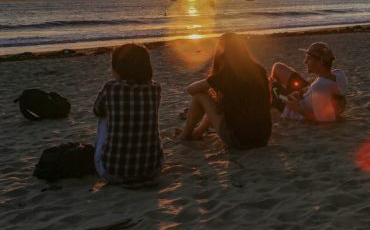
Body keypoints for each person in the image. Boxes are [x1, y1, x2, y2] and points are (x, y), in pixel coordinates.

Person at [179, 32, 272, 149]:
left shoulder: (225, 74)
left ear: (222, 51)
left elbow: (191, 89)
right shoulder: (259, 69)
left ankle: (185, 135)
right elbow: (268, 102)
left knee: (200, 95)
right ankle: (198, 132)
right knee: (218, 103)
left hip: (239, 140)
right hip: (263, 138)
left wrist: (210, 82)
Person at [93, 43, 163, 188]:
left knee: (104, 117)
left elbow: (97, 110)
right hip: (153, 169)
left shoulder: (111, 87)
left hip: (113, 172)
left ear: (119, 68)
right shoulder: (155, 88)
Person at [270, 42, 347, 122]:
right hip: (306, 93)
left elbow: (323, 119)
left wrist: (297, 108)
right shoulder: (339, 74)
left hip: (290, 107)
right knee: (278, 67)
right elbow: (339, 100)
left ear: (320, 62)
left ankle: (268, 101)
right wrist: (301, 92)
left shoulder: (319, 87)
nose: (305, 61)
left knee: (269, 84)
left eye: (309, 58)